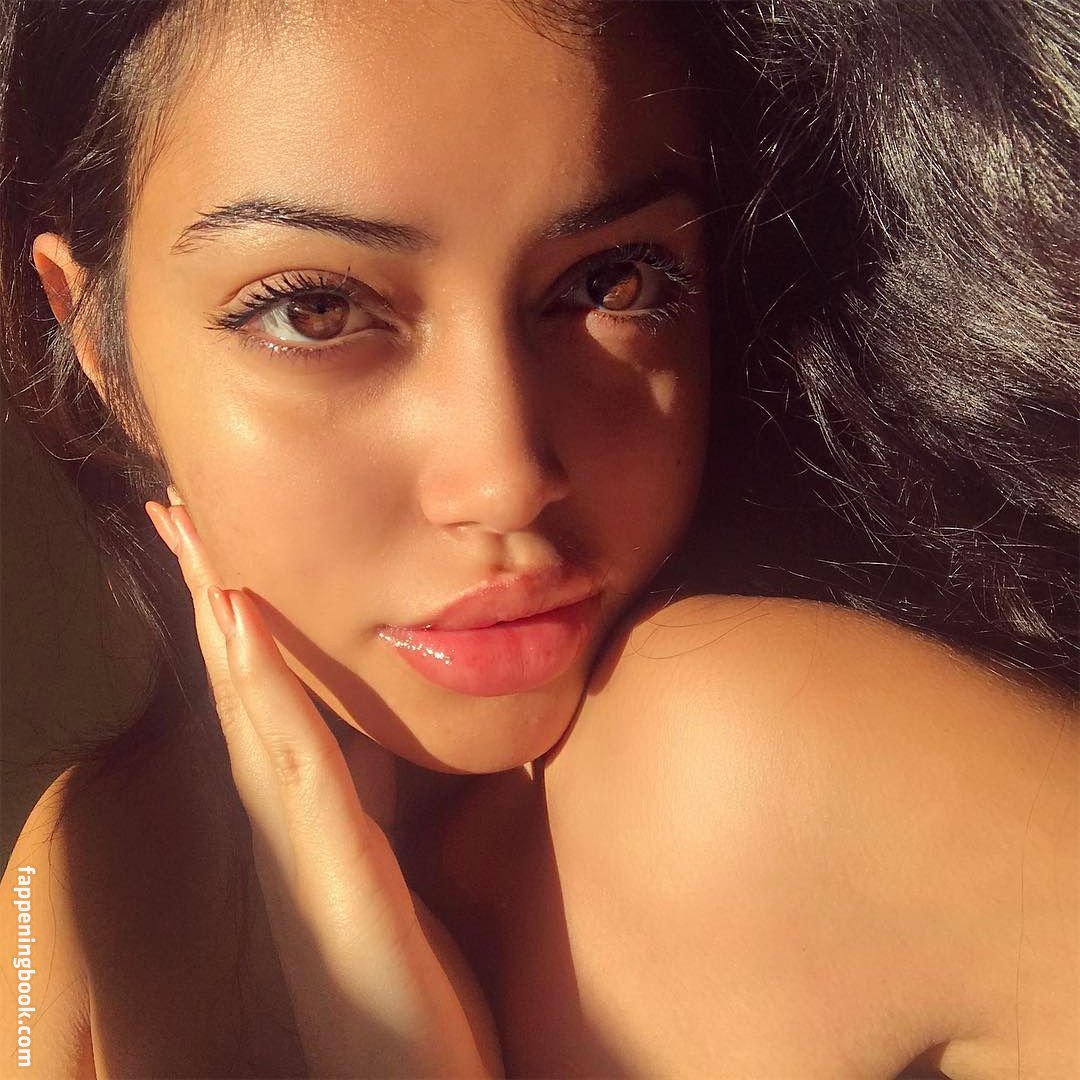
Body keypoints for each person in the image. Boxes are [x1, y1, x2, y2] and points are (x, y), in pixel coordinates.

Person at [1, 0, 1076, 1076]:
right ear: (91, 335)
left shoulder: (749, 763)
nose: (507, 479)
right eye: (316, 310)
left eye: (613, 281)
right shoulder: (87, 877)